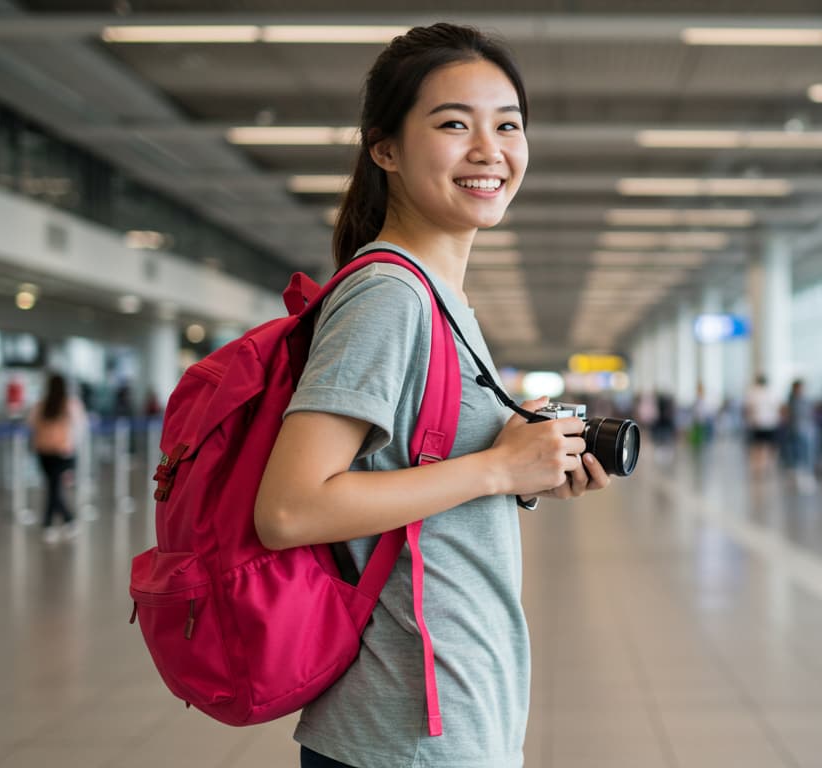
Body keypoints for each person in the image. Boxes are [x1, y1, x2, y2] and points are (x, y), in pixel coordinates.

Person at [252, 24, 611, 768]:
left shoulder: (439, 297)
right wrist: (495, 471)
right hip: (410, 726)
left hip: (447, 708)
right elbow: (288, 509)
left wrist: (524, 469)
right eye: (454, 124)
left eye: (507, 124)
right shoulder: (390, 294)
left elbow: (402, 480)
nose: (490, 150)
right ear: (385, 148)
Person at [28, 372, 87, 543]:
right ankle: (64, 521)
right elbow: (80, 426)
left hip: (43, 451)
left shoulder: (42, 405)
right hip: (63, 451)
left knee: (53, 487)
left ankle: (53, 523)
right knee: (54, 488)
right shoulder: (70, 404)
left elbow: (30, 423)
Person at [744, 373, 781, 471]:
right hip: (770, 422)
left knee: (757, 446)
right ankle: (768, 465)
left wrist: (749, 420)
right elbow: (777, 407)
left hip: (757, 422)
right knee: (769, 446)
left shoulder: (752, 392)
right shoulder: (772, 392)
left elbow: (748, 409)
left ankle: (759, 466)